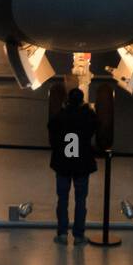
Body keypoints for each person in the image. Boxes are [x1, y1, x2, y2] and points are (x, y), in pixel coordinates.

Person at [48, 86, 99, 245]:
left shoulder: (61, 116)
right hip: (81, 164)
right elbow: (96, 127)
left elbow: (51, 129)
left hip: (63, 164)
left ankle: (62, 233)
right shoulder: (88, 116)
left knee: (62, 199)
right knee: (81, 200)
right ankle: (78, 235)